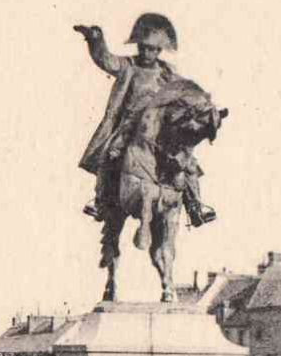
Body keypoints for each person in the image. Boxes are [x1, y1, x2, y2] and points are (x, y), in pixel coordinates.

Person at [77, 15, 214, 227]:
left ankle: (195, 206)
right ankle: (101, 201)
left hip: (161, 129)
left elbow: (187, 90)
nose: (148, 53)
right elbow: (105, 59)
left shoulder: (168, 72)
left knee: (187, 162)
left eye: (153, 49)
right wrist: (95, 40)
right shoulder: (128, 66)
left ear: (160, 51)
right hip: (130, 125)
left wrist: (204, 105)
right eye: (144, 47)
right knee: (110, 154)